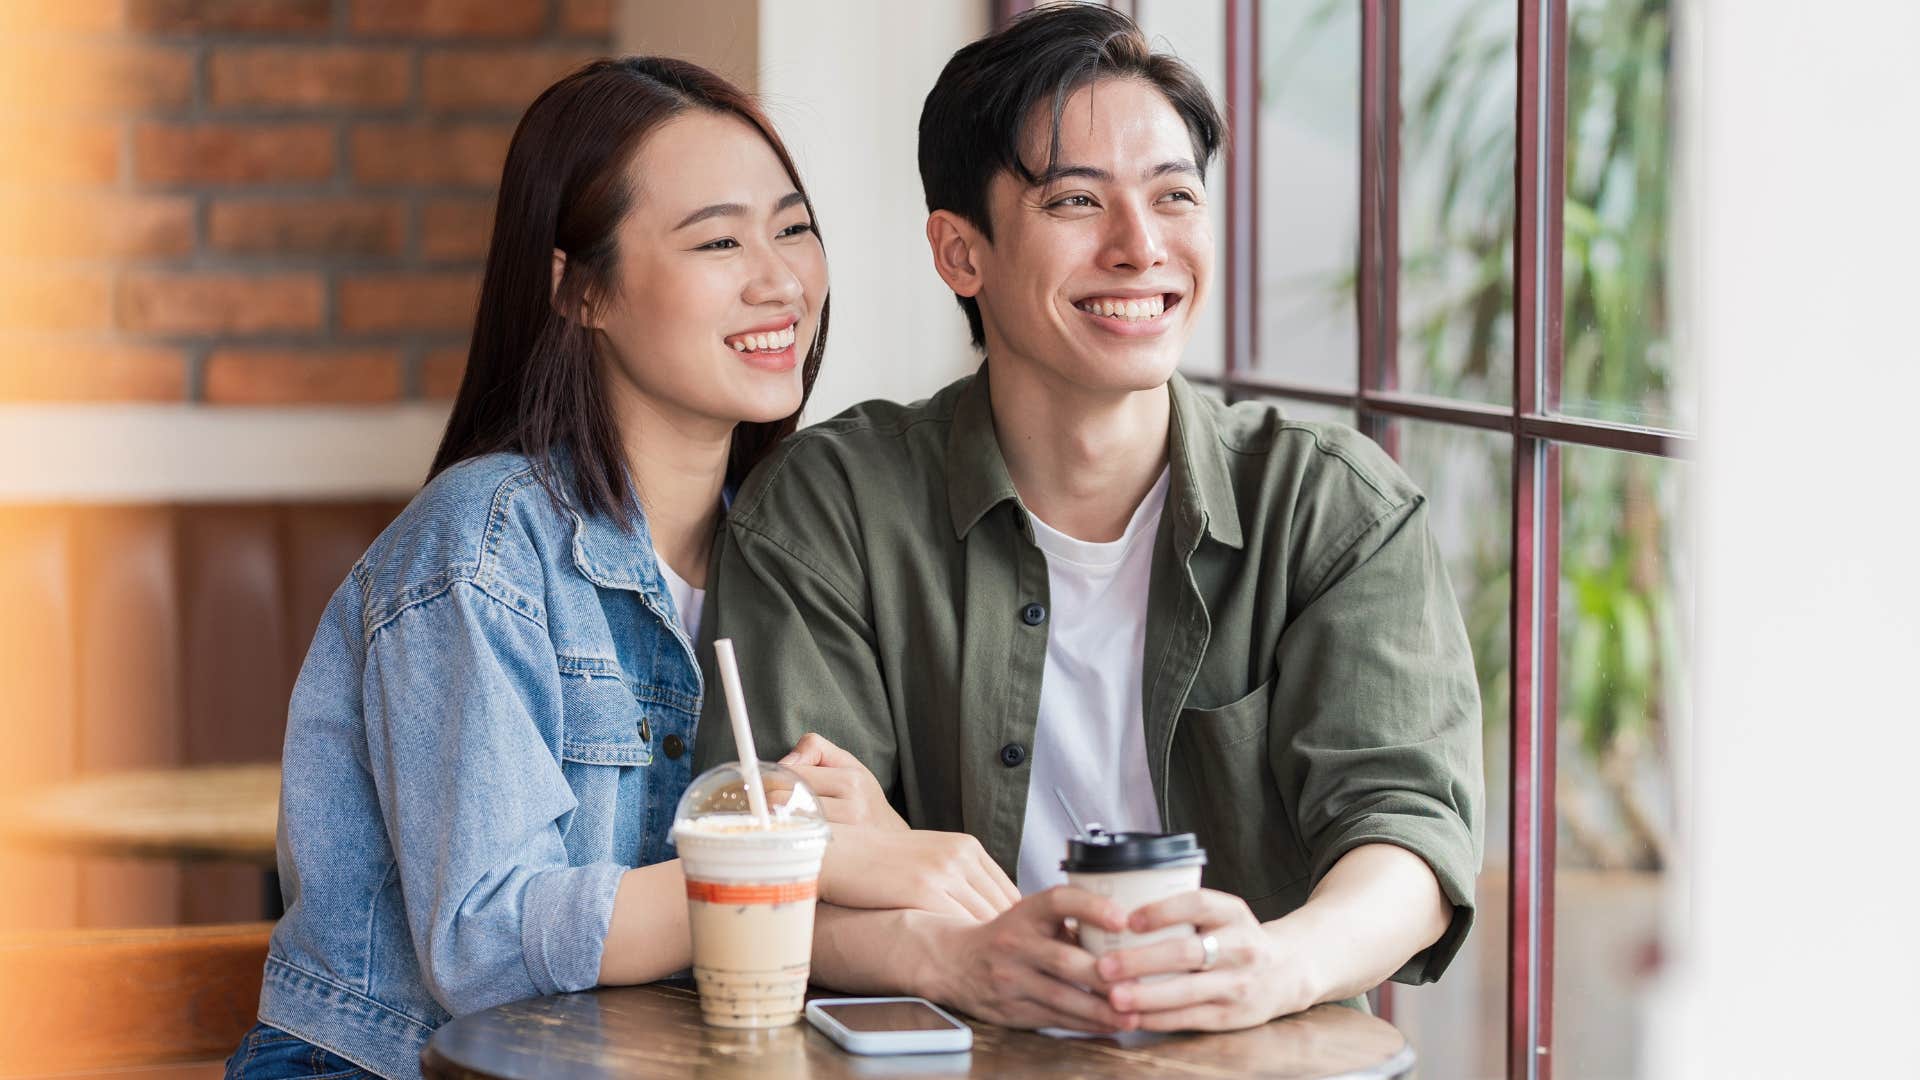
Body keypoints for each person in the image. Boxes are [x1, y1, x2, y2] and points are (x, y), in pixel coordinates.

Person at [694, 3, 1484, 1036]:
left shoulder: (1332, 508)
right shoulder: (832, 507)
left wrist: (1273, 965)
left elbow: (1411, 836)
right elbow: (777, 871)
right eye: (1078, 201)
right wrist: (963, 959)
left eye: (1174, 197)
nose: (1140, 247)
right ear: (959, 253)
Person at [227, 58, 1015, 1080]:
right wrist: (795, 857)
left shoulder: (790, 555)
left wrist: (860, 827)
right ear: (581, 289)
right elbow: (485, 944)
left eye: (792, 227)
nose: (779, 279)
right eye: (720, 240)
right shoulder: (483, 546)